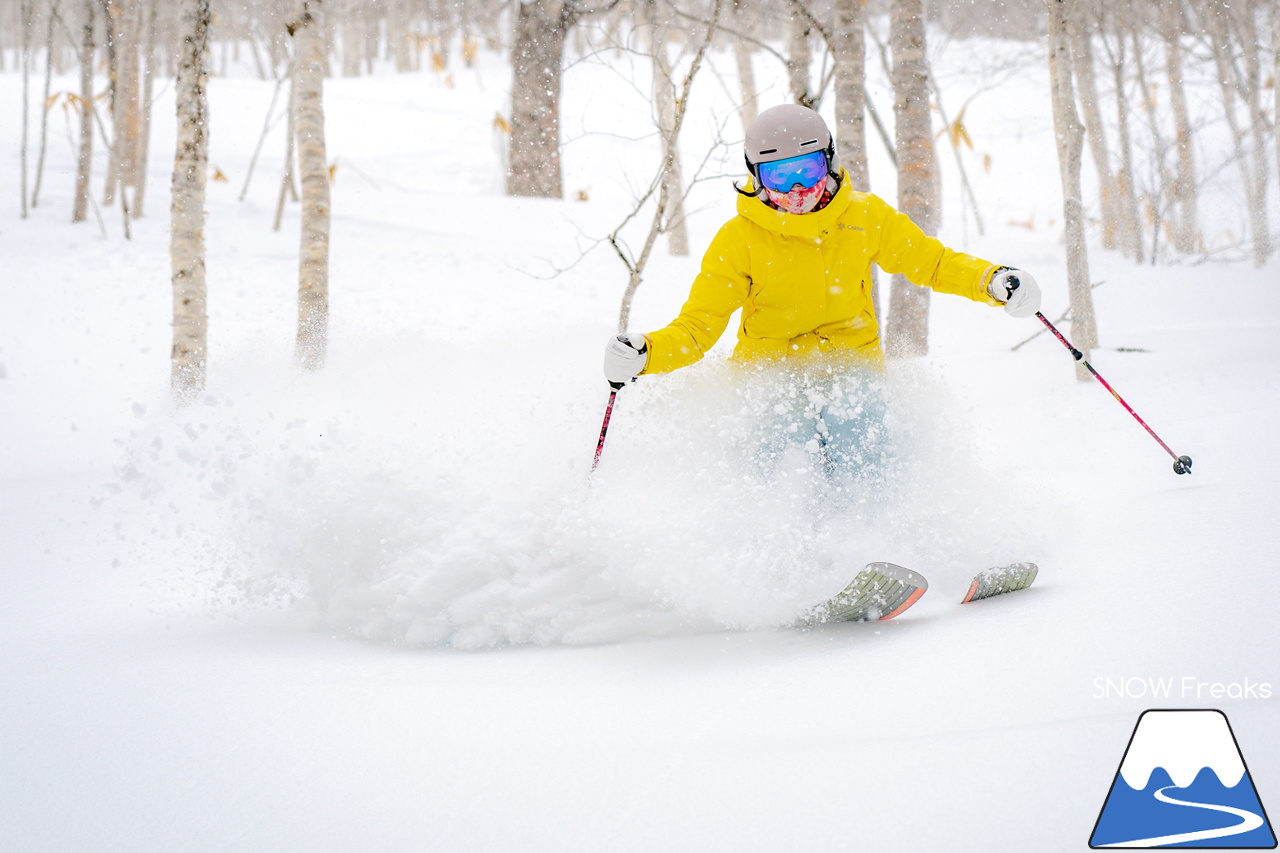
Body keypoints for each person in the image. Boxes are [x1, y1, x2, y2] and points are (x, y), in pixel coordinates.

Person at [602, 103, 1040, 477]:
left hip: (852, 367)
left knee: (862, 433)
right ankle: (782, 553)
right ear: (756, 176)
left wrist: (992, 280)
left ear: (828, 162)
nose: (796, 190)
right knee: (788, 451)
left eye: (807, 170)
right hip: (771, 374)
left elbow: (933, 263)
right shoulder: (739, 240)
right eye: (779, 176)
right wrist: (647, 353)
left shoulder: (865, 217)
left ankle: (875, 543)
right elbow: (698, 328)